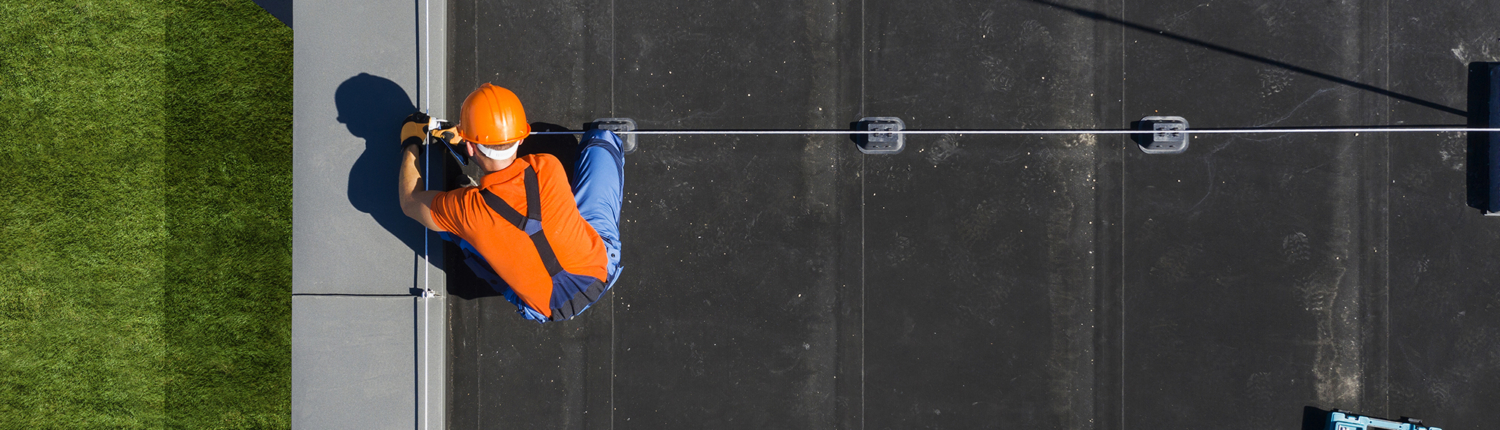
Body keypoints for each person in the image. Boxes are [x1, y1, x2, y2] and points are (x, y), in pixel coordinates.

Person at [397, 83, 624, 323]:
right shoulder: (548, 165)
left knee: (454, 228)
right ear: (520, 137)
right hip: (602, 268)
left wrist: (411, 143)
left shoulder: (463, 209)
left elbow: (410, 201)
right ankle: (607, 139)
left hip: (546, 309)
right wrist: (469, 142)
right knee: (601, 139)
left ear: (471, 148)